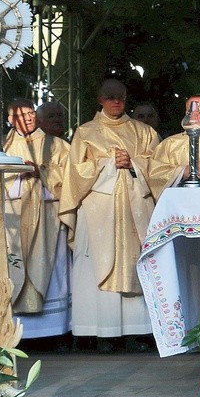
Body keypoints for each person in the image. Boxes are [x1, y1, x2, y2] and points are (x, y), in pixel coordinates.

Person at [58, 79, 160, 352]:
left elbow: (158, 166)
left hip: (134, 207)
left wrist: (135, 163)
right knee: (94, 266)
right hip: (97, 209)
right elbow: (75, 172)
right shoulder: (85, 132)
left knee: (137, 263)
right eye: (110, 97)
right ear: (100, 99)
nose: (116, 102)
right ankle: (99, 332)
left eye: (121, 97)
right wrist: (108, 164)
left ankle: (139, 333)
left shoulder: (143, 132)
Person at [3, 98, 72, 347]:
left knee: (53, 270)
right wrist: (15, 173)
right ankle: (21, 335)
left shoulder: (58, 145)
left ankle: (55, 333)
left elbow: (70, 179)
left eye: (31, 113)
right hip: (14, 216)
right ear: (10, 119)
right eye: (20, 115)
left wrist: (40, 172)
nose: (28, 118)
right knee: (16, 267)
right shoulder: (3, 146)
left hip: (48, 217)